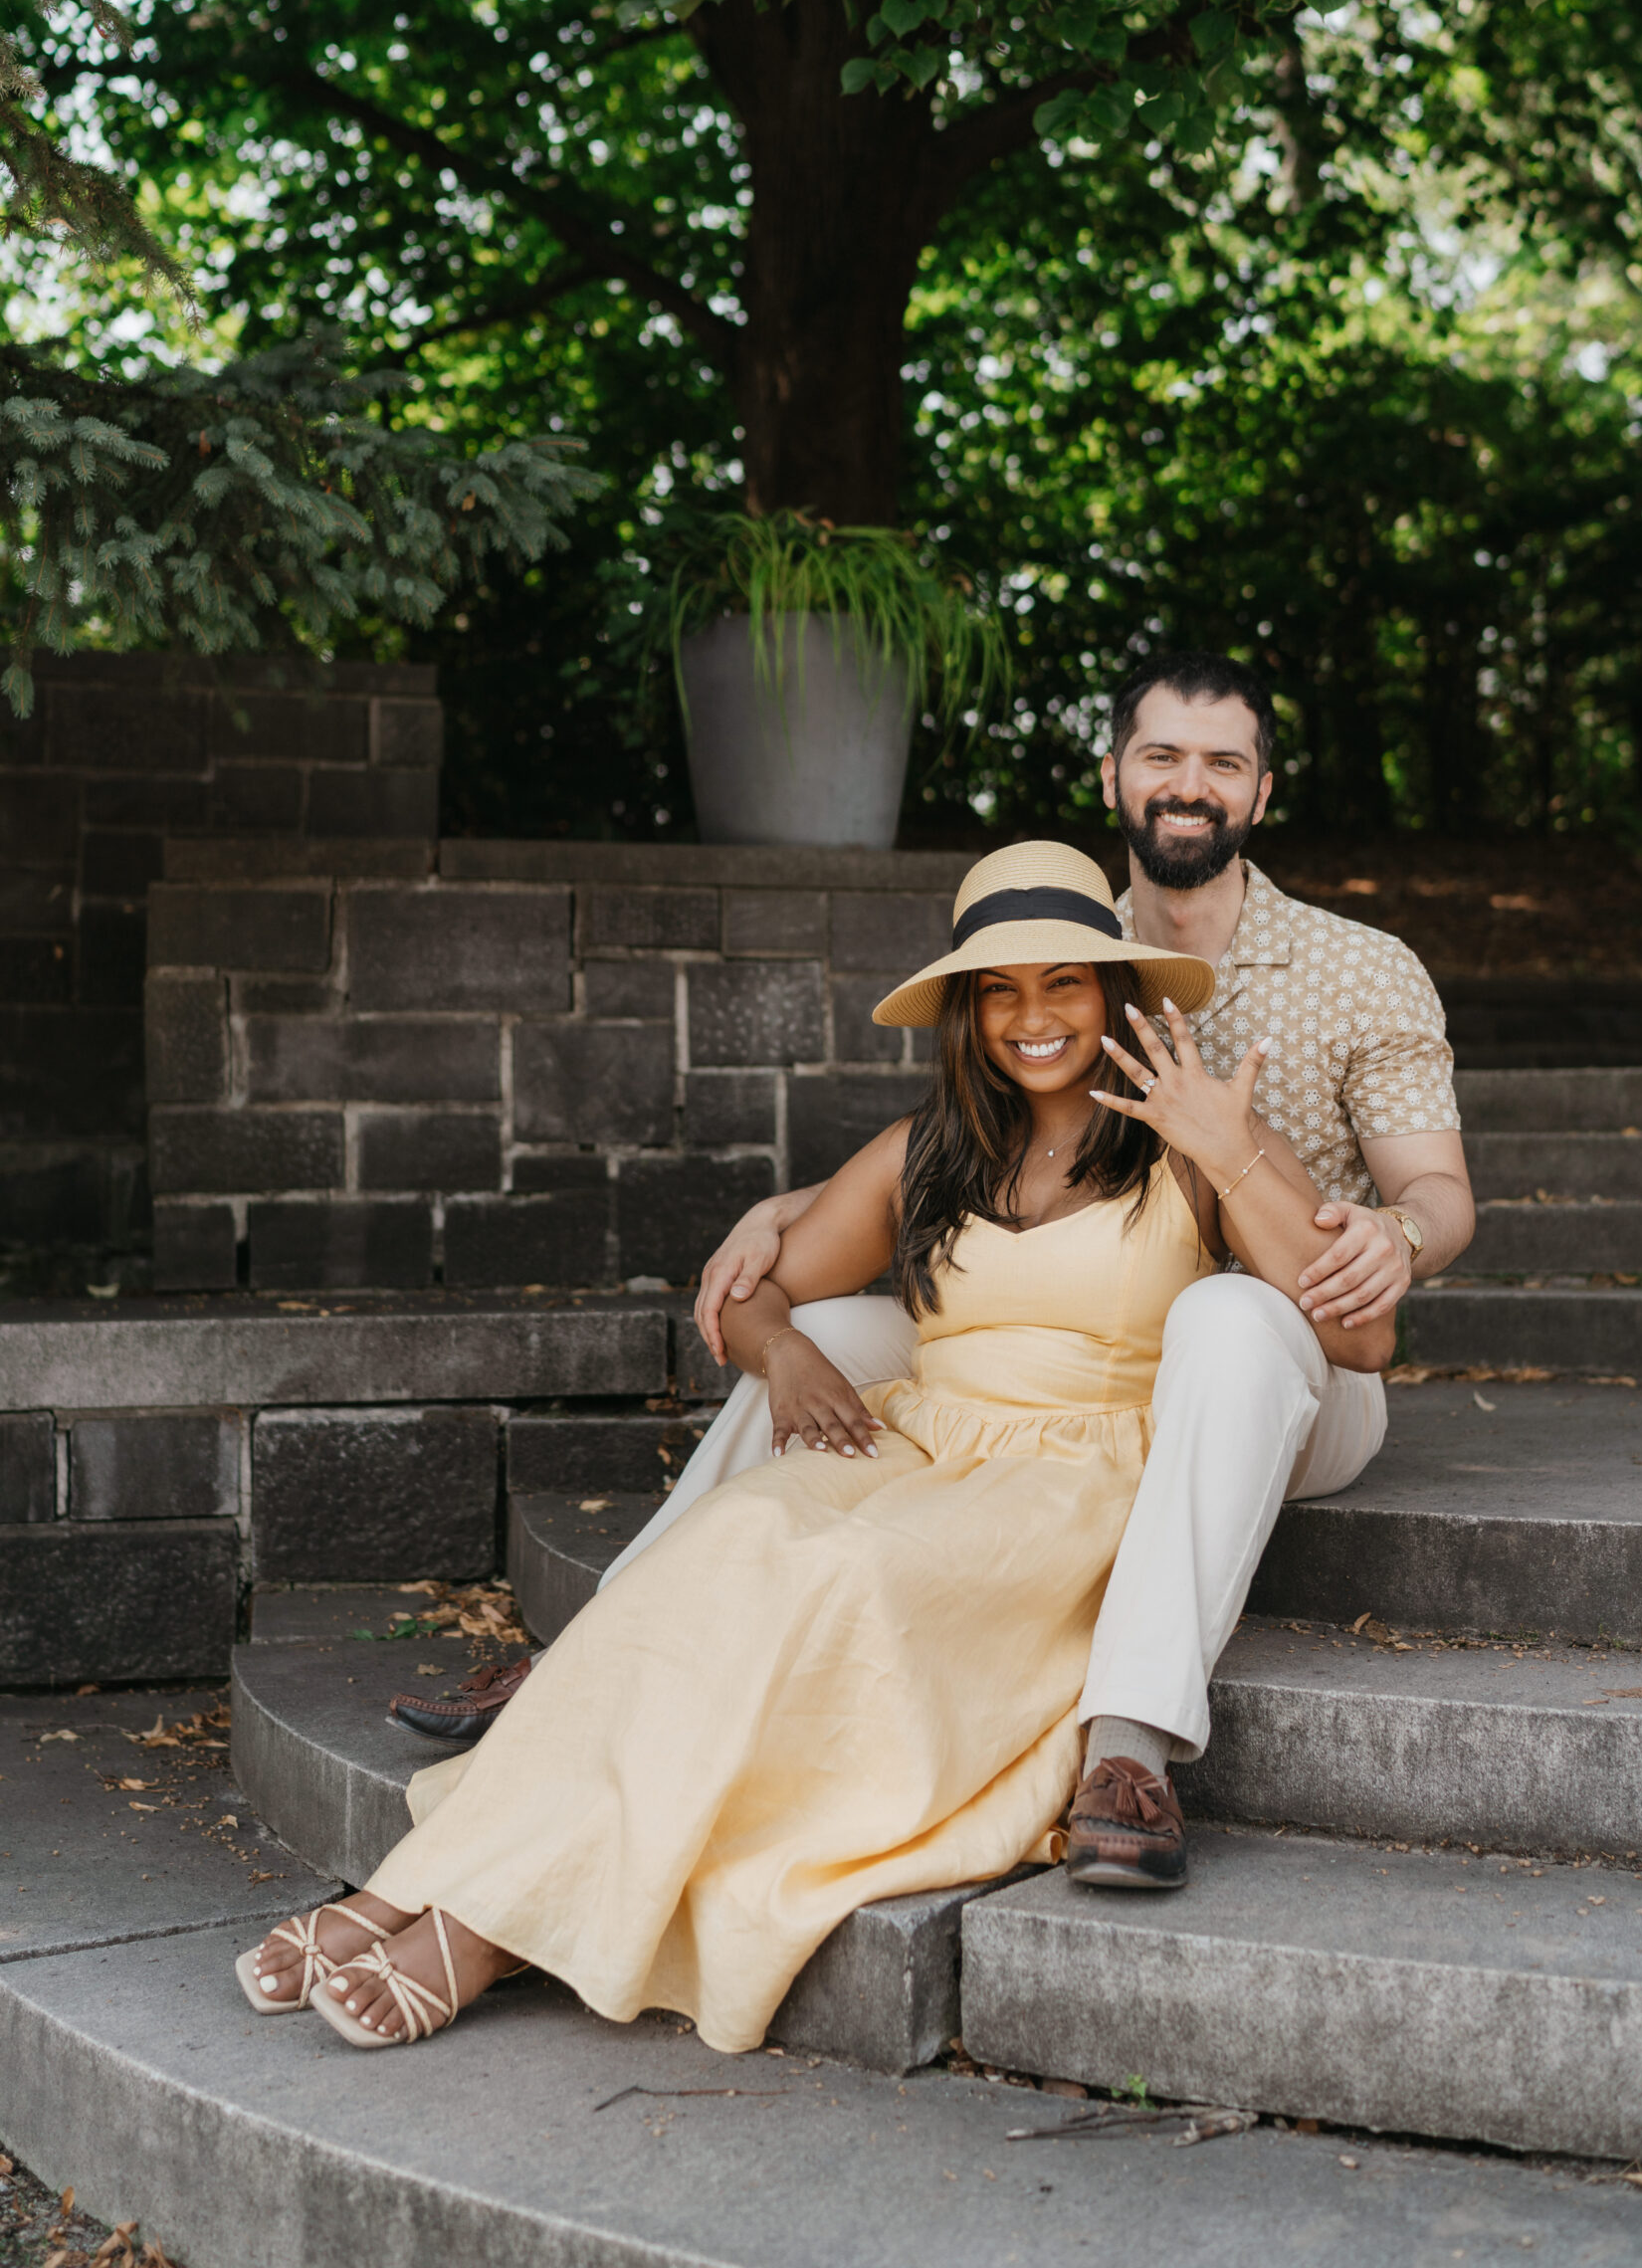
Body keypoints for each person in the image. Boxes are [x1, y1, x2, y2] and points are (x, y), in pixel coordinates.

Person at [235, 841, 1394, 2053]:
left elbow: (1357, 1337)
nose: (1035, 1015)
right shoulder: (930, 1147)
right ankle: (396, 1890)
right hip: (924, 1442)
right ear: (966, 1010)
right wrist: (785, 1353)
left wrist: (1229, 1147)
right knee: (730, 1539)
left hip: (1077, 1478)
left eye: (1066, 982)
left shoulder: (1189, 1141)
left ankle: (479, 1928)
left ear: (1111, 992)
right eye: (1001, 989)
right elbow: (754, 1291)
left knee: (839, 1580)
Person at [671, 651, 1474, 1885]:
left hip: (1290, 1330)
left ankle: (1133, 1742)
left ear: (1262, 790)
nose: (1188, 783)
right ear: (1115, 776)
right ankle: (632, 1616)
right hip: (1082, 1322)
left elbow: (1431, 1201)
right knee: (832, 1321)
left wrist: (1395, 1237)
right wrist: (786, 1222)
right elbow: (972, 1141)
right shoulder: (1062, 931)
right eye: (1162, 755)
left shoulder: (1361, 968)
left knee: (1226, 1313)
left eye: (1222, 761)